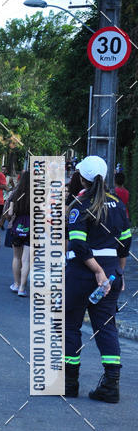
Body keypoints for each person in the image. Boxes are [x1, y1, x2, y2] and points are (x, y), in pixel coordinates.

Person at [65, 155, 132, 403]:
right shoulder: (118, 205)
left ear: (82, 177)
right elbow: (125, 243)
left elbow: (79, 246)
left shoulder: (79, 205)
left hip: (82, 274)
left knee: (70, 326)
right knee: (106, 328)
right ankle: (111, 385)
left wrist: (96, 271)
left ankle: (69, 382)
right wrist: (118, 273)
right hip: (111, 271)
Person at [4, 170, 30, 296]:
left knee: (16, 257)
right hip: (31, 227)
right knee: (26, 260)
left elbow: (9, 213)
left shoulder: (16, 194)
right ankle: (22, 288)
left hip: (17, 226)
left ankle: (16, 283)